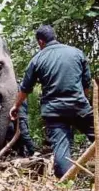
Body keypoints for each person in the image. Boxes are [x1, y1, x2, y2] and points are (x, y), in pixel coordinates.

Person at [9, 25, 94, 178]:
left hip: (54, 111)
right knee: (97, 134)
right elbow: (86, 84)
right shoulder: (76, 53)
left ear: (40, 41)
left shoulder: (37, 59)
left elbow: (25, 89)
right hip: (78, 105)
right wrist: (82, 101)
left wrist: (16, 106)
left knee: (61, 149)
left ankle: (67, 182)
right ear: (54, 36)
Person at [0, 83, 36, 157]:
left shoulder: (19, 87)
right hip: (5, 113)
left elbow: (23, 100)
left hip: (20, 112)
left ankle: (31, 151)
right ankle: (9, 150)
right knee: (7, 131)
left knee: (23, 133)